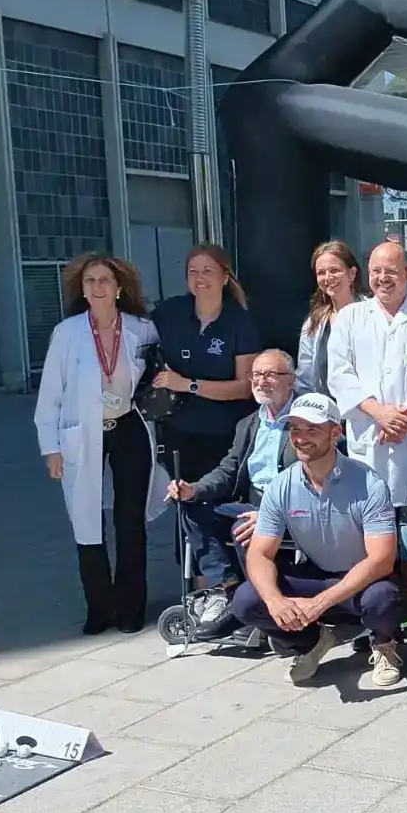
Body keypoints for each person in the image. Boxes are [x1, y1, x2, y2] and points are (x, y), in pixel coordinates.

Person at [229, 393, 405, 688]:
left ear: (336, 433)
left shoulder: (369, 483)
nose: (301, 437)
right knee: (247, 601)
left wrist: (318, 605)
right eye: (295, 429)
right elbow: (259, 554)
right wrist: (276, 602)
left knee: (382, 599)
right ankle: (312, 641)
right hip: (314, 574)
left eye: (313, 429)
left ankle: (384, 643)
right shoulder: (281, 485)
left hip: (362, 580)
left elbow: (381, 559)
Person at [34, 253, 170, 634]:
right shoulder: (68, 332)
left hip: (128, 426)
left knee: (130, 520)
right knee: (86, 520)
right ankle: (99, 608)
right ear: (83, 288)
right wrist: (51, 449)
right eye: (90, 281)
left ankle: (130, 608)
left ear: (119, 287)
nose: (97, 287)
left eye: (104, 280)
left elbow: (158, 375)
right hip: (82, 431)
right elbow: (50, 395)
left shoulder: (141, 329)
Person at [326, 240, 407, 567]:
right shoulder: (350, 318)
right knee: (374, 528)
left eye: (391, 271)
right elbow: (340, 375)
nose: (383, 278)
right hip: (371, 438)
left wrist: (405, 416)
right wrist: (380, 414)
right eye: (376, 271)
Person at [166, 348, 300, 638]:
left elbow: (313, 479)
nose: (261, 381)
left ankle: (259, 610)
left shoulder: (305, 420)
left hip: (292, 509)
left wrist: (267, 514)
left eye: (271, 375)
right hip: (251, 503)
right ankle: (230, 591)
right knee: (192, 508)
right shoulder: (249, 423)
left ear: (291, 381)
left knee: (244, 527)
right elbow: (228, 470)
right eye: (256, 374)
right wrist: (193, 489)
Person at [150, 243, 261, 592]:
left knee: (214, 506)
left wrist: (189, 384)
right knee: (185, 505)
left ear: (225, 277)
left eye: (208, 271)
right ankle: (202, 592)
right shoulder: (170, 313)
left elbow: (245, 387)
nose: (200, 279)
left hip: (224, 435)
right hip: (178, 433)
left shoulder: (239, 322)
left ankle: (229, 583)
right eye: (193, 272)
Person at [296, 240, 367, 397]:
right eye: (321, 273)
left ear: (352, 273)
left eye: (334, 270)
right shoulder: (314, 323)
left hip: (367, 412)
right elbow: (305, 378)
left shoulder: (373, 314)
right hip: (327, 414)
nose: (328, 278)